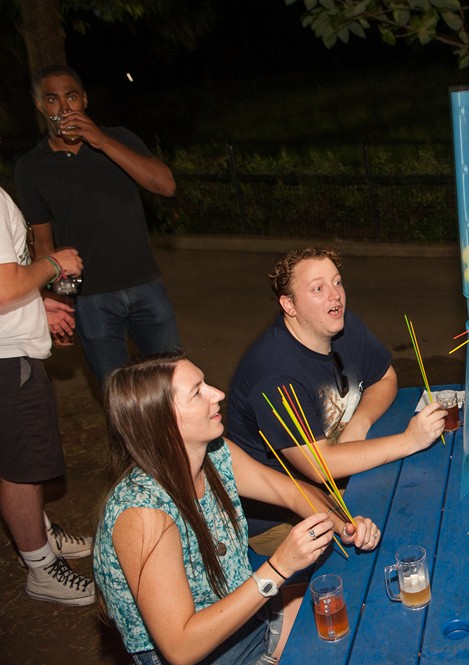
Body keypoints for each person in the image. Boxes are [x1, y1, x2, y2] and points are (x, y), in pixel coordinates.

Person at [93, 352, 382, 664]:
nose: (217, 394)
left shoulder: (216, 454)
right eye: (197, 392)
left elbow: (295, 494)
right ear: (161, 422)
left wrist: (343, 524)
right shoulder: (141, 514)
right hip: (209, 653)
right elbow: (180, 648)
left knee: (363, 610)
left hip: (249, 616)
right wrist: (280, 566)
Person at [227, 247, 446, 544]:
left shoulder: (341, 325)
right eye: (318, 288)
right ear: (289, 305)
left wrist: (359, 423)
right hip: (283, 517)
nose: (335, 295)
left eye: (337, 282)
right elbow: (321, 467)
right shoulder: (275, 375)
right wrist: (409, 441)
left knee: (429, 502)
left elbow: (385, 377)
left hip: (343, 475)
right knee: (404, 535)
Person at [14, 65, 182, 385]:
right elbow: (44, 244)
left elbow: (165, 185)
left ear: (85, 100)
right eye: (52, 99)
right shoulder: (31, 167)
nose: (64, 107)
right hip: (91, 298)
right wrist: (60, 299)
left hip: (146, 285)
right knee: (116, 392)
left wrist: (100, 140)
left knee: (172, 382)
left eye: (71, 97)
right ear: (38, 105)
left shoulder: (118, 138)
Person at [0, 186, 95, 606]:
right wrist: (55, 263)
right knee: (21, 466)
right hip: (7, 357)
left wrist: (35, 304)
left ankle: (40, 535)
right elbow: (4, 285)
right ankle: (40, 566)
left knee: (11, 457)